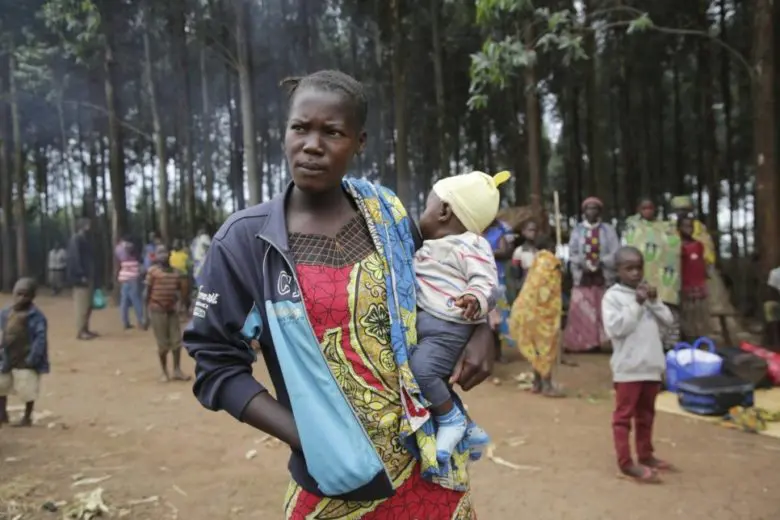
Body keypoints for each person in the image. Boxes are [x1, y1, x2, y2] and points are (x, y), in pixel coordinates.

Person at [184, 70, 494, 519]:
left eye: (332, 132)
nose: (312, 144)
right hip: (338, 482)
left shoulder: (386, 214)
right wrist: (307, 437)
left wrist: (480, 324)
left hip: (428, 465)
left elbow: (443, 268)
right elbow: (214, 365)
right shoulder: (246, 241)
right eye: (300, 128)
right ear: (285, 131)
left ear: (359, 142)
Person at [412, 170, 507, 464]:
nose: (422, 212)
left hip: (449, 327)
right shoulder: (428, 246)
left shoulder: (470, 244)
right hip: (431, 323)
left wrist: (475, 299)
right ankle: (468, 427)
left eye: (427, 204)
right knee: (428, 372)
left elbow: (488, 282)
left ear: (443, 210)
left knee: (422, 371)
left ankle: (452, 419)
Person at [602, 247, 676, 483]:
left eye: (639, 267)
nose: (635, 273)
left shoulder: (647, 293)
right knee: (623, 418)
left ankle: (646, 455)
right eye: (629, 268)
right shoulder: (612, 297)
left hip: (651, 366)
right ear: (618, 270)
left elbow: (668, 321)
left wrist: (653, 301)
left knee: (646, 415)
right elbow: (616, 328)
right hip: (628, 370)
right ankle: (626, 463)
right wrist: (636, 304)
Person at [509, 238, 564, 397]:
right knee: (545, 350)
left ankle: (536, 383)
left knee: (536, 349)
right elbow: (545, 294)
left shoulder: (537, 262)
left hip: (526, 312)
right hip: (541, 315)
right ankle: (547, 385)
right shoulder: (549, 264)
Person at [563, 197, 619, 352]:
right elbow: (572, 252)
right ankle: (583, 342)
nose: (591, 211)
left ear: (599, 211)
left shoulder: (608, 230)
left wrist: (601, 263)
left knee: (602, 307)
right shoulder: (578, 230)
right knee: (581, 308)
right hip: (583, 276)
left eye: (595, 208)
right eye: (588, 208)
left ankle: (601, 341)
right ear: (584, 212)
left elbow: (615, 251)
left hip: (603, 275)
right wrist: (583, 264)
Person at [0, 278, 49, 427]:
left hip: (26, 357)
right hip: (7, 356)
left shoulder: (37, 316)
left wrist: (33, 358)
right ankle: (2, 414)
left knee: (28, 389)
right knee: (2, 385)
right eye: (19, 294)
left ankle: (27, 416)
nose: (21, 298)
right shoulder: (5, 313)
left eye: (26, 295)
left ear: (33, 296)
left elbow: (40, 339)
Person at [145, 245, 190, 382]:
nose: (163, 256)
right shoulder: (152, 272)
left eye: (165, 253)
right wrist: (145, 315)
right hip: (157, 309)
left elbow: (182, 291)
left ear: (170, 255)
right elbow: (146, 293)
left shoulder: (176, 273)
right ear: (156, 257)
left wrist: (181, 306)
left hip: (171, 310)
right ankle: (164, 372)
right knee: (163, 344)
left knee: (177, 342)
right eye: (160, 253)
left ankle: (177, 370)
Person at [483, 218, 514, 360]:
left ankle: (498, 353)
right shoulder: (472, 233)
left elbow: (504, 251)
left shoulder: (497, 233)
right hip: (478, 281)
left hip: (495, 280)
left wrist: (484, 254)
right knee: (482, 318)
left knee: (497, 317)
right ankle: (486, 354)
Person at [679, 215, 710, 340]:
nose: (689, 229)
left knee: (700, 316)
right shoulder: (677, 246)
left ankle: (700, 340)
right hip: (685, 287)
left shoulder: (698, 245)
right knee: (687, 316)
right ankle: (688, 340)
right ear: (679, 228)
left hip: (699, 286)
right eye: (685, 226)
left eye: (691, 226)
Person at [66, 217, 97, 340]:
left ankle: (86, 328)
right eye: (88, 225)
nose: (90, 227)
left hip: (88, 275)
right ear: (83, 226)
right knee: (81, 305)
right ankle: (81, 331)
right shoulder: (76, 239)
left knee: (88, 304)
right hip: (81, 277)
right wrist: (80, 274)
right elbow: (75, 258)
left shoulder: (85, 239)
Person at [117, 242, 145, 330]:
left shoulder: (123, 260)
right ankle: (140, 321)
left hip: (124, 280)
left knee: (124, 302)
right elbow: (142, 271)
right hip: (133, 280)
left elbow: (118, 250)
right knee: (136, 301)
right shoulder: (136, 261)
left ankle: (125, 322)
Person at [510, 219, 539, 291]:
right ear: (524, 232)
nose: (533, 233)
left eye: (535, 230)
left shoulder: (538, 252)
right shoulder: (519, 251)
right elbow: (515, 274)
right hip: (525, 288)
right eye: (530, 230)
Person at [169, 239, 192, 316]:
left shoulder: (183, 255)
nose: (175, 246)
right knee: (179, 295)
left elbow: (190, 265)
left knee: (183, 294)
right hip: (177, 277)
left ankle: (184, 309)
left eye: (176, 244)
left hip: (180, 277)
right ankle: (180, 309)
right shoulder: (172, 254)